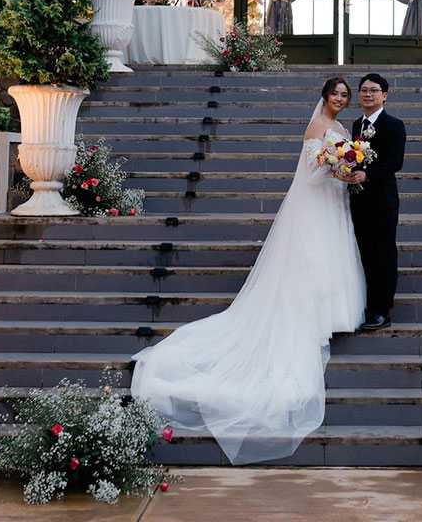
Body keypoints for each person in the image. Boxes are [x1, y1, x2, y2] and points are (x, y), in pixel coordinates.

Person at [130, 77, 365, 465]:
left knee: (332, 254)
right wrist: (338, 169)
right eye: (335, 94)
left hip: (334, 203)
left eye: (345, 95)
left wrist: (348, 169)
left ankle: (331, 311)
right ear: (323, 96)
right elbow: (310, 173)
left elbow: (340, 162)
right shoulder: (317, 127)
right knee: (309, 256)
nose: (340, 100)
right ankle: (308, 313)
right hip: (314, 202)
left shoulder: (342, 129)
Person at [348, 73, 407, 331]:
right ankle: (369, 303)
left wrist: (367, 174)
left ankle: (382, 309)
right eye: (363, 90)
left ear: (385, 95)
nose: (368, 94)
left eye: (373, 90)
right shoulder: (355, 125)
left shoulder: (394, 124)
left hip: (383, 200)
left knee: (383, 253)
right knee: (366, 254)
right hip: (358, 200)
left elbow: (395, 163)